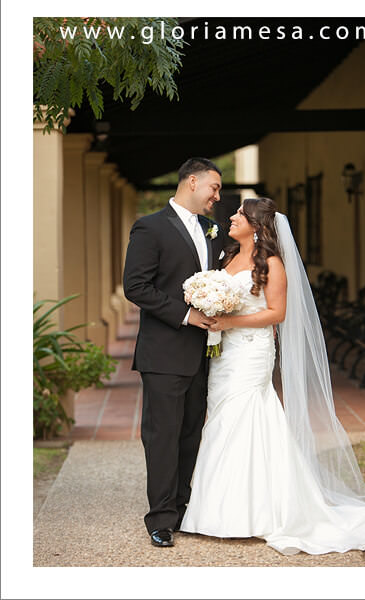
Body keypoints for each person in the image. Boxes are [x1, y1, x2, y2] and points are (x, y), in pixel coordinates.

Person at [179, 197, 365, 555]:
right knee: (221, 417)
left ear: (257, 225)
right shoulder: (226, 258)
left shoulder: (271, 264)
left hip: (252, 351)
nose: (233, 217)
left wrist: (229, 322)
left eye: (240, 213)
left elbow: (277, 313)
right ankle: (218, 509)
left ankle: (251, 513)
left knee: (242, 417)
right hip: (225, 353)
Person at [122, 157, 225, 548]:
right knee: (162, 435)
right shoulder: (150, 226)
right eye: (213, 187)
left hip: (203, 352)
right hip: (164, 352)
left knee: (189, 433)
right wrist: (186, 315)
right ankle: (160, 519)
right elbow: (136, 286)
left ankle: (183, 508)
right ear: (192, 181)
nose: (217, 195)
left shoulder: (210, 230)